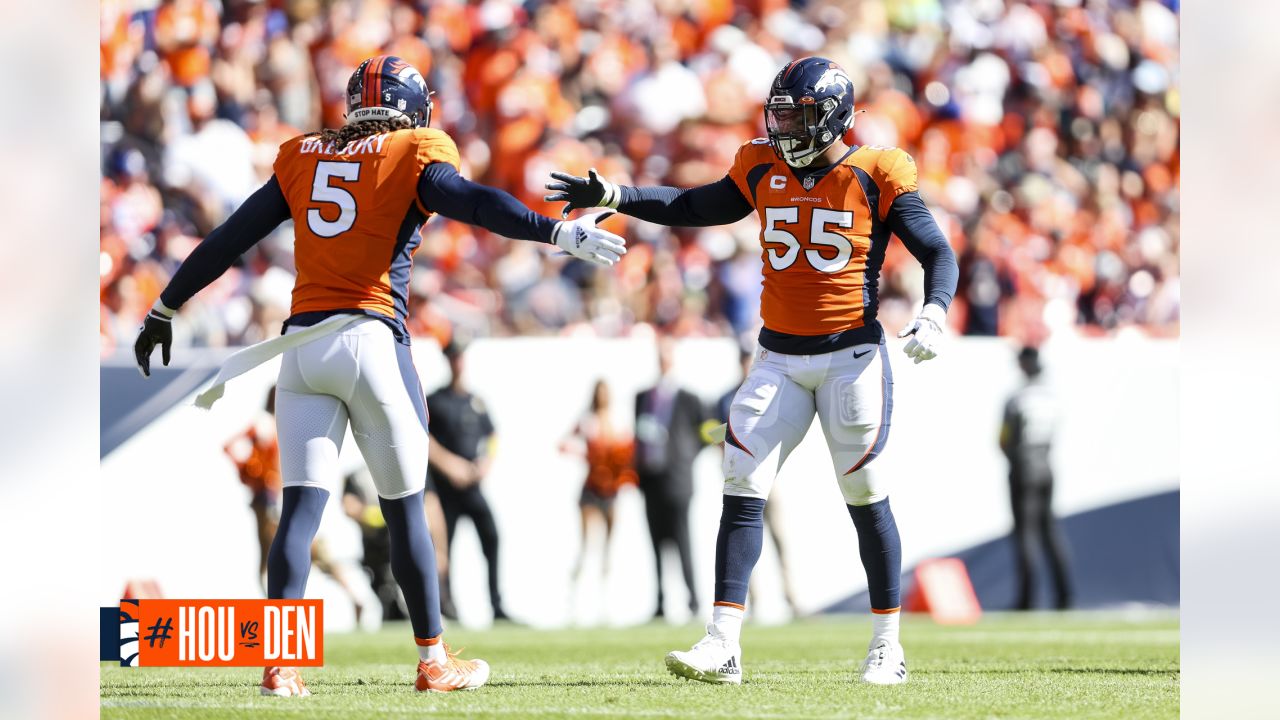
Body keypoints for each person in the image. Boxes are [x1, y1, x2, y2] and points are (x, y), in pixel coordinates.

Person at [133, 55, 626, 697]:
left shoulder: (303, 155)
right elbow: (472, 202)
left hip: (301, 348)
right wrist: (555, 232)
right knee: (405, 512)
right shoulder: (415, 149)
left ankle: (280, 667)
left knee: (300, 511)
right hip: (369, 337)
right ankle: (432, 660)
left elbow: (229, 239)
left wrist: (165, 306)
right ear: (413, 110)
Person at [547, 56, 957, 685]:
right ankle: (722, 642)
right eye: (781, 113)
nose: (785, 127)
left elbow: (936, 250)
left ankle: (886, 645)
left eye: (798, 115)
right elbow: (693, 206)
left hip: (852, 355)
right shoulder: (760, 163)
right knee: (741, 480)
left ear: (835, 117)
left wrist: (933, 311)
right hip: (778, 356)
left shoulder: (879, 170)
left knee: (865, 493)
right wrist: (616, 195)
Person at [426, 341, 508, 622]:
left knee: (492, 538)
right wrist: (451, 466)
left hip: (473, 485)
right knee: (443, 551)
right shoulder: (436, 400)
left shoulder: (476, 401)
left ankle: (497, 605)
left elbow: (493, 437)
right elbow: (425, 440)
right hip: (445, 488)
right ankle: (446, 609)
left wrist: (486, 463)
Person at [717, 349, 799, 618]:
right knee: (742, 537)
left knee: (779, 538)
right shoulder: (726, 398)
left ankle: (791, 598)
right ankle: (749, 603)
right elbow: (712, 435)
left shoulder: (770, 390)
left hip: (768, 475)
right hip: (741, 479)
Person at [633, 337, 709, 620]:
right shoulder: (642, 396)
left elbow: (707, 431)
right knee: (655, 542)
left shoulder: (689, 398)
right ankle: (660, 602)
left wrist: (687, 454)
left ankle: (692, 600)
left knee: (682, 539)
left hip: (678, 479)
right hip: (651, 479)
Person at [1000, 346, 1074, 610]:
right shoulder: (1051, 396)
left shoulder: (1017, 398)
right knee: (1050, 531)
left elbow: (1004, 440)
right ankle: (1064, 595)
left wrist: (1014, 461)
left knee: (1025, 534)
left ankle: (1026, 599)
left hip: (1023, 467)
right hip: (1046, 467)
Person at [560, 380, 637, 600]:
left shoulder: (617, 420)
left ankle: (605, 597)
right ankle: (574, 594)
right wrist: (582, 455)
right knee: (586, 544)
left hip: (610, 490)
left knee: (608, 547)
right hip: (592, 488)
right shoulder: (587, 421)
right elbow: (564, 442)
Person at [223, 386, 282, 591]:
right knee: (269, 544)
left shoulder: (277, 423)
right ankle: (270, 591)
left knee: (277, 542)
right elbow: (231, 446)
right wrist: (251, 472)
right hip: (266, 494)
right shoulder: (264, 423)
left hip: (278, 492)